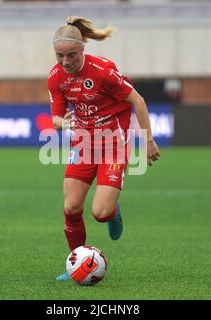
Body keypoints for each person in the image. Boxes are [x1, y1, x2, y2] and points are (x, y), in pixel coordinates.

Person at [47, 16, 161, 281]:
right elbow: (55, 116)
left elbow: (138, 101)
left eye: (71, 55)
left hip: (113, 144)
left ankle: (112, 211)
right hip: (84, 144)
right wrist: (60, 123)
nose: (65, 62)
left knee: (99, 213)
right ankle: (76, 263)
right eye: (59, 56)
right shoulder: (55, 78)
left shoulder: (102, 71)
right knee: (72, 207)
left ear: (83, 49)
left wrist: (148, 141)